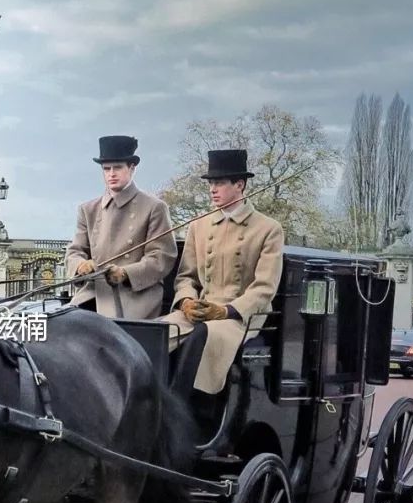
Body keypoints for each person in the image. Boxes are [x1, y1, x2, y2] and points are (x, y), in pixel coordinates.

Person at [160, 149, 284, 396]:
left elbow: (264, 288)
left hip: (241, 317)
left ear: (240, 184)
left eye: (219, 183)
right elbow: (186, 277)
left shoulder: (269, 229)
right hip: (199, 310)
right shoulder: (199, 225)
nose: (212, 189)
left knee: (204, 336)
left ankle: (191, 405)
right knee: (155, 333)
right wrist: (186, 302)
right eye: (210, 183)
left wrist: (225, 311)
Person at [64, 135, 176, 320]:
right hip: (92, 294)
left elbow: (161, 258)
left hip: (135, 296)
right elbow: (75, 251)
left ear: (132, 168)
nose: (111, 174)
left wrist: (126, 273)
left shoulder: (154, 207)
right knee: (62, 325)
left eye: (117, 167)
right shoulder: (88, 209)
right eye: (106, 169)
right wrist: (80, 265)